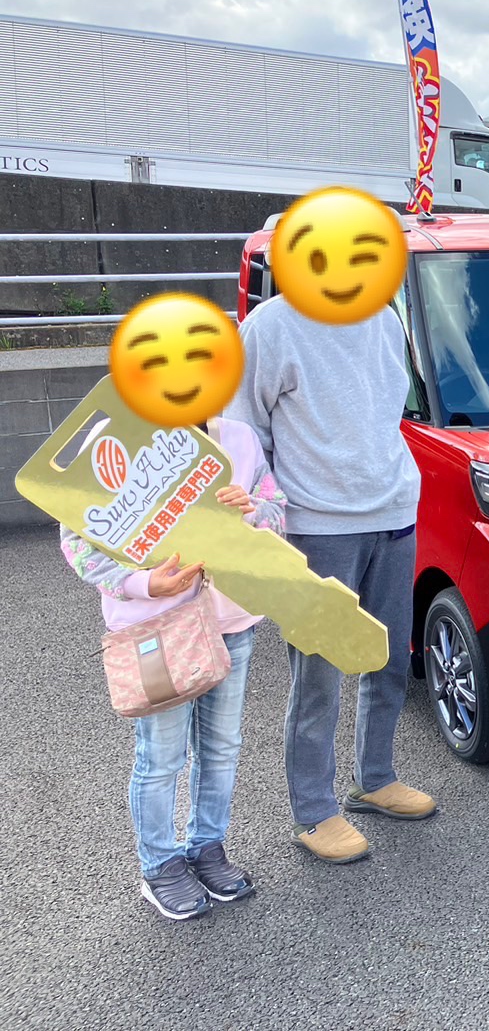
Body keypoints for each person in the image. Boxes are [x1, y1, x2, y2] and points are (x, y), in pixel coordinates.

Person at [227, 292, 433, 866]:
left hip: (394, 510)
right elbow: (243, 429)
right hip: (316, 524)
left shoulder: (384, 318)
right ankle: (314, 809)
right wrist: (266, 516)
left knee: (389, 656)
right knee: (318, 673)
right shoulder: (271, 326)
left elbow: (387, 410)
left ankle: (376, 778)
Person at [60, 416, 287, 921]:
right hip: (154, 631)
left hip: (232, 621)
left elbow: (277, 510)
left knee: (221, 748)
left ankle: (207, 848)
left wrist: (254, 511)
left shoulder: (240, 438)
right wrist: (143, 583)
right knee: (161, 756)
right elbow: (77, 539)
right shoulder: (111, 442)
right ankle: (160, 865)